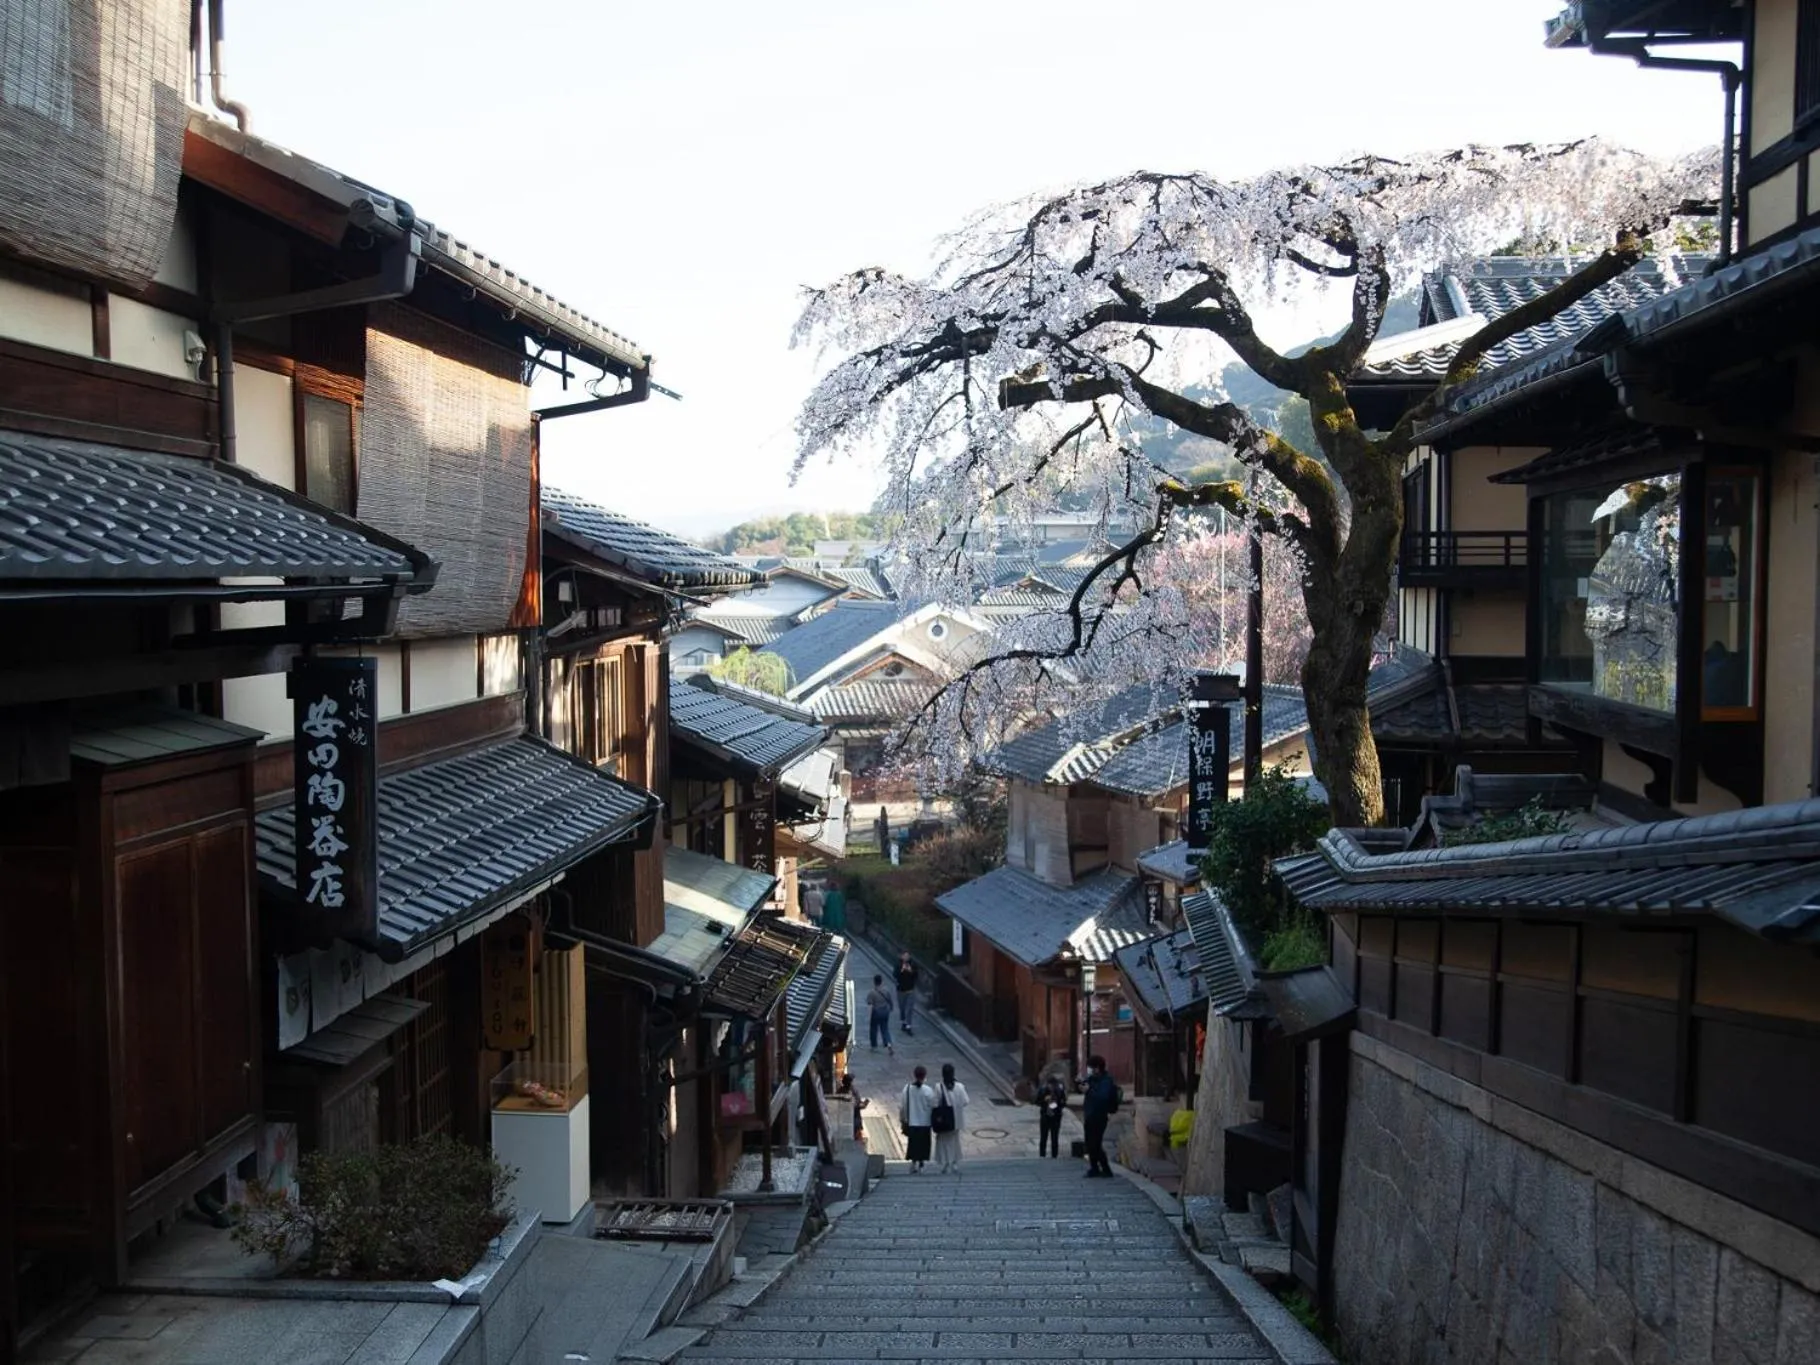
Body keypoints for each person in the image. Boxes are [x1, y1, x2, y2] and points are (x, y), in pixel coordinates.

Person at [1080, 1054, 1120, 1178]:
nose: (1089, 1070)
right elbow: (1086, 1085)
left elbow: (1102, 1097)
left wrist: (1089, 1091)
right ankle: (1094, 1168)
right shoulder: (1092, 1078)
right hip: (1089, 1114)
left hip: (1099, 1116)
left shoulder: (1106, 1081)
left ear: (1097, 1068)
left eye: (1091, 1067)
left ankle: (1106, 1169)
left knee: (1095, 1143)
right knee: (1089, 1143)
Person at [932, 1063, 970, 1174]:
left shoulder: (938, 1087)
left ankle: (945, 1163)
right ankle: (954, 1163)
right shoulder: (959, 1086)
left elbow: (934, 1103)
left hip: (944, 1120)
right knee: (955, 1141)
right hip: (957, 1120)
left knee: (944, 1142)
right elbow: (966, 1101)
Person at [900, 1065, 936, 1172]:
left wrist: (903, 1119)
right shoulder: (928, 1090)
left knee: (913, 1144)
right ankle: (921, 1164)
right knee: (923, 1145)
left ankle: (913, 1162)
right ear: (924, 1076)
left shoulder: (907, 1089)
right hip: (925, 1122)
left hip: (912, 1122)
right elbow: (933, 1104)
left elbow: (903, 1106)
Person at [1035, 1070, 1069, 1159]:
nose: (1051, 1087)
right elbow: (1037, 1101)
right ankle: (1042, 1155)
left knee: (1054, 1137)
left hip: (1056, 1117)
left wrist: (1055, 1103)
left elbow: (1063, 1103)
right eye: (1050, 1085)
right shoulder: (1043, 1090)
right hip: (1045, 1116)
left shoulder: (1059, 1091)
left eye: (1053, 1085)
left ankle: (1054, 1155)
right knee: (1043, 1137)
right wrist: (1044, 1101)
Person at [865, 974, 894, 1053]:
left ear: (874, 982)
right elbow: (890, 1001)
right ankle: (888, 1043)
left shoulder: (872, 992)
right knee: (885, 1028)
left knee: (874, 1029)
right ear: (881, 981)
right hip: (885, 1012)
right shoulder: (886, 991)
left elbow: (869, 1004)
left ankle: (874, 1046)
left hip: (876, 1012)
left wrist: (869, 1015)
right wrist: (891, 1008)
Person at [895, 951, 919, 1035]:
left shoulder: (913, 964)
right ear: (902, 957)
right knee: (902, 1008)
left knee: (909, 1008)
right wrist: (902, 970)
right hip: (901, 990)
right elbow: (895, 975)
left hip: (910, 990)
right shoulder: (898, 965)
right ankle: (903, 1022)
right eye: (904, 956)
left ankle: (909, 1025)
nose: (906, 957)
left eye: (907, 956)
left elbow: (916, 975)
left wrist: (911, 970)